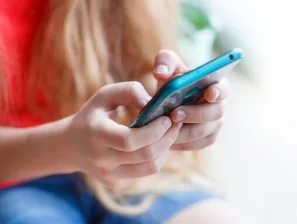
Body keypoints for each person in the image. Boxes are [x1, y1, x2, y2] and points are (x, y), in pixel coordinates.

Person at [0, 0, 249, 223]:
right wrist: (67, 147)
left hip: (117, 175)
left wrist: (164, 94)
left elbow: (128, 66)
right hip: (15, 182)